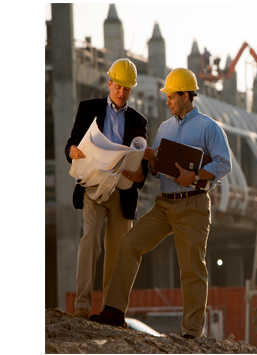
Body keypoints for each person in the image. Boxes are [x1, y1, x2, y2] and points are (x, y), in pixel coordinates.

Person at [90, 68, 232, 340]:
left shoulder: (209, 127)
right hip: (164, 205)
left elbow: (224, 163)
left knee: (191, 267)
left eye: (171, 96)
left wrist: (196, 175)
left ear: (186, 95)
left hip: (193, 205)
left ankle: (191, 333)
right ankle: (115, 311)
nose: (166, 101)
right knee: (130, 244)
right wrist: (148, 159)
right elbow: (157, 168)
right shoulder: (165, 128)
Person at [65, 58, 149, 321]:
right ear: (109, 83)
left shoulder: (139, 120)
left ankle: (112, 311)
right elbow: (72, 141)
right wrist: (72, 150)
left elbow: (142, 159)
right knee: (90, 241)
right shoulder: (88, 108)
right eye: (118, 86)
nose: (121, 93)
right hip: (92, 186)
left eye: (127, 89)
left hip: (122, 191)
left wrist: (139, 174)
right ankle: (81, 306)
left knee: (117, 249)